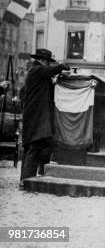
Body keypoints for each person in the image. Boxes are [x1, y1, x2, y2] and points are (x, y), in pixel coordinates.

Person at [20, 48, 70, 182]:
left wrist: (55, 80)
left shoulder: (37, 72)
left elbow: (47, 84)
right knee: (34, 146)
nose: (48, 65)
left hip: (35, 115)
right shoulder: (37, 69)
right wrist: (62, 66)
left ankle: (30, 178)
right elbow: (50, 71)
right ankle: (26, 181)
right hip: (35, 116)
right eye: (48, 62)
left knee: (40, 145)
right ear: (43, 61)